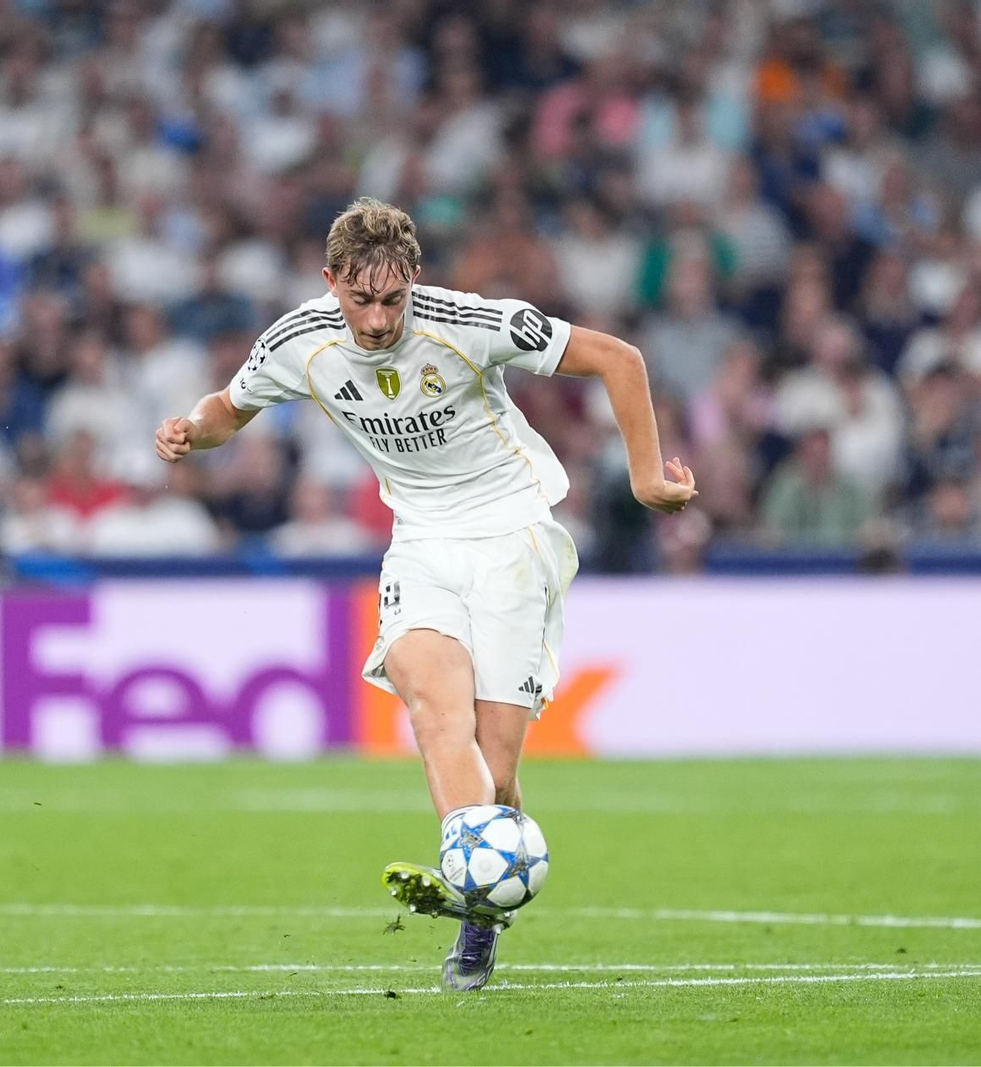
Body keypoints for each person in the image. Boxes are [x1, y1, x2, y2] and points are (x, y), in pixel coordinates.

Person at [154, 198, 695, 991]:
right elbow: (228, 409)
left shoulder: (469, 322)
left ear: (414, 277)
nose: (378, 320)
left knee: (497, 773)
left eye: (393, 298)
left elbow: (620, 358)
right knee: (437, 712)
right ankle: (474, 884)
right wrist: (189, 431)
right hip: (422, 544)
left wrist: (647, 477)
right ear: (331, 281)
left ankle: (481, 902)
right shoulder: (300, 340)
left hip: (513, 537)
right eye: (360, 299)